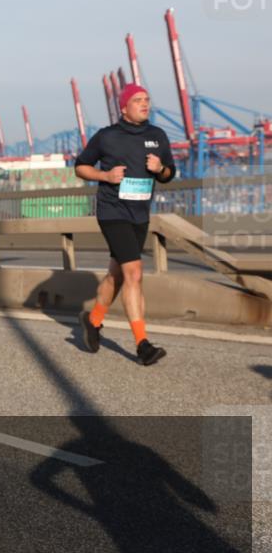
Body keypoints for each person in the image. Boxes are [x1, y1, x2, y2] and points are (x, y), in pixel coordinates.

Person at [76, 84, 175, 366]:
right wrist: (105, 176)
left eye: (147, 99)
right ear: (124, 106)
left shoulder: (158, 136)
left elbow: (169, 173)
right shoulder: (108, 136)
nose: (145, 104)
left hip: (139, 214)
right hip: (112, 211)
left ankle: (92, 320)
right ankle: (142, 344)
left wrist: (160, 169)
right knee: (134, 272)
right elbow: (80, 166)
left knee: (117, 275)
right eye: (138, 100)